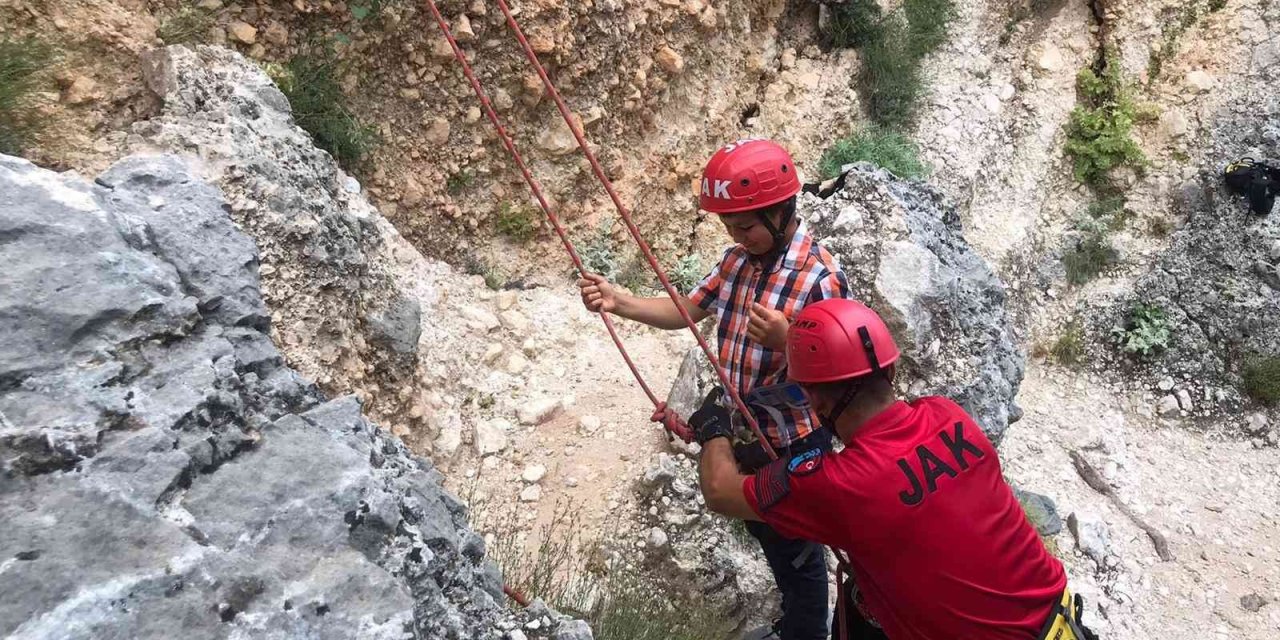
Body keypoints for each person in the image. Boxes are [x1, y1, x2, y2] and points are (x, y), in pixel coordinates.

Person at [692, 298, 1099, 640]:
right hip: (1057, 620)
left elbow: (719, 489)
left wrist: (715, 430)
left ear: (816, 403)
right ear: (888, 369)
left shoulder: (842, 485)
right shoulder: (948, 416)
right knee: (859, 599)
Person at [578, 138, 848, 639]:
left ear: (781, 211)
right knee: (768, 533)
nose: (737, 235)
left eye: (745, 225)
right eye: (729, 226)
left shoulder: (819, 279)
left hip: (793, 439)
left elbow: (840, 369)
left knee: (798, 552)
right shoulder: (736, 264)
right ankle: (793, 615)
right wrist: (622, 301)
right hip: (748, 431)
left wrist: (791, 340)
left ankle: (806, 631)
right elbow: (687, 309)